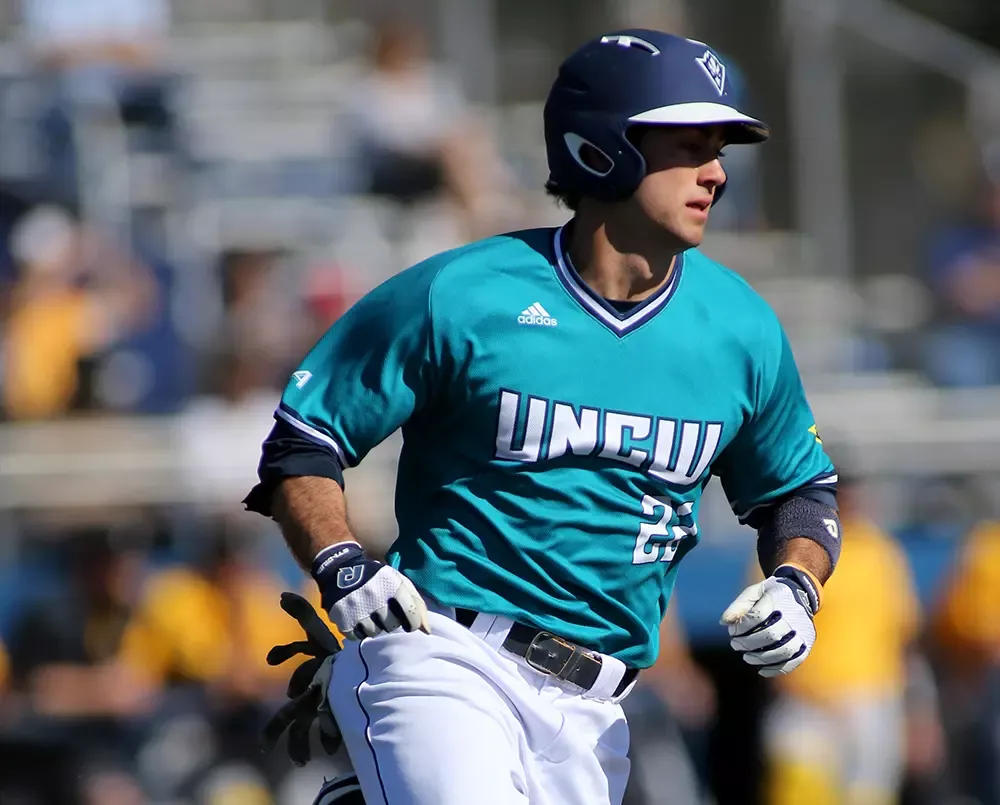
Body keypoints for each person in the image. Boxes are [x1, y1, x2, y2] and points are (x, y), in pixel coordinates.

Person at [245, 29, 840, 805]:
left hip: (600, 710)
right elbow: (303, 442)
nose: (718, 172)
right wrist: (342, 562)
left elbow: (800, 493)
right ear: (604, 146)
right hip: (447, 654)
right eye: (690, 145)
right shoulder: (464, 291)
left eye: (719, 147)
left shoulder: (740, 327)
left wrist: (797, 580)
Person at [759, 459, 941, 805]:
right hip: (808, 701)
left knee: (868, 794)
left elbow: (904, 638)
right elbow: (764, 632)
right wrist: (797, 688)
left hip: (872, 699)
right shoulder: (790, 551)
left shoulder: (882, 552)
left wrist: (920, 715)